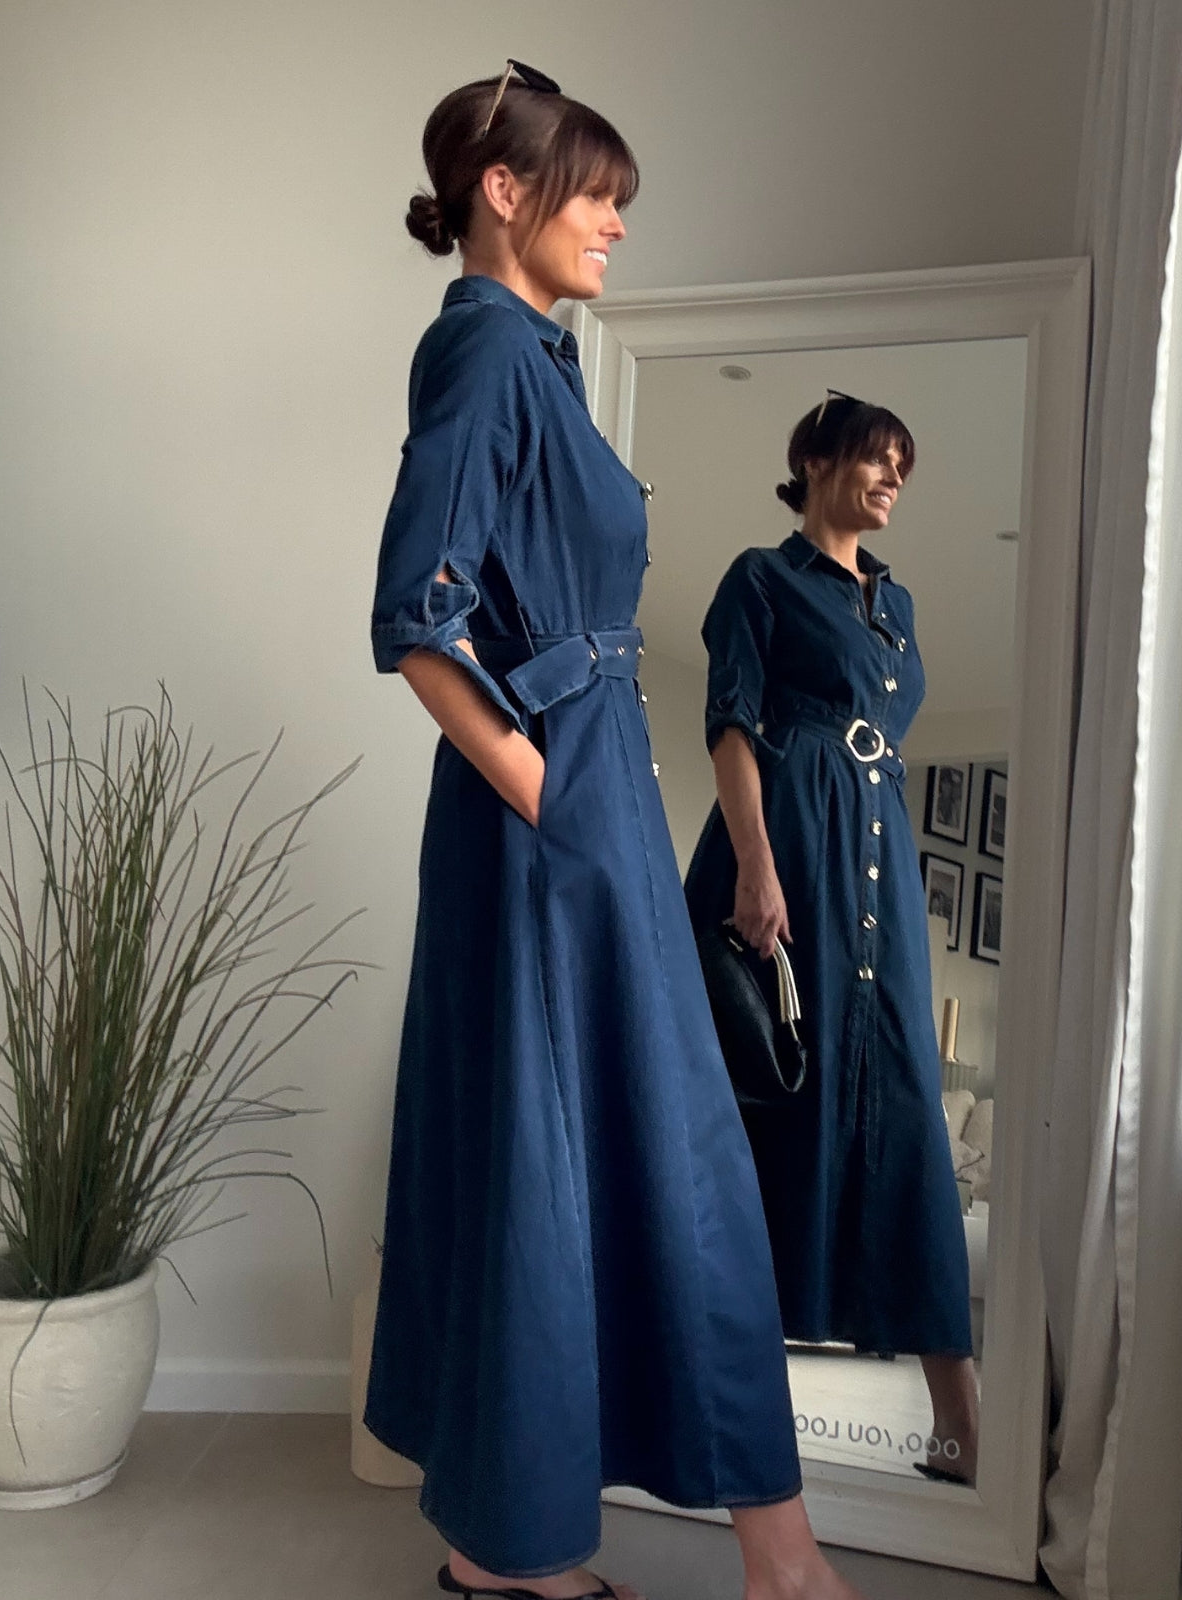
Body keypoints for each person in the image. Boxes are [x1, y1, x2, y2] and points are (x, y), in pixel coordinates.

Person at [364, 60, 866, 1600]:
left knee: (579, 1153)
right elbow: (417, 621)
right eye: (597, 194)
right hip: (556, 813)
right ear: (504, 191)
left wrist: (584, 798)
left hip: (589, 797)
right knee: (644, 1151)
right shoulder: (483, 353)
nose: (618, 225)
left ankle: (498, 1555)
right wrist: (554, 798)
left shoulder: (537, 358)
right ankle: (779, 1564)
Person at [684, 394, 979, 1484]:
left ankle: (960, 1427)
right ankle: (722, 1413)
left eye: (904, 465)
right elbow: (731, 724)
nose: (893, 478)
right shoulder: (761, 580)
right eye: (876, 458)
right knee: (769, 1106)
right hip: (792, 848)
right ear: (814, 460)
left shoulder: (897, 606)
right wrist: (756, 866)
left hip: (879, 863)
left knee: (907, 1113)